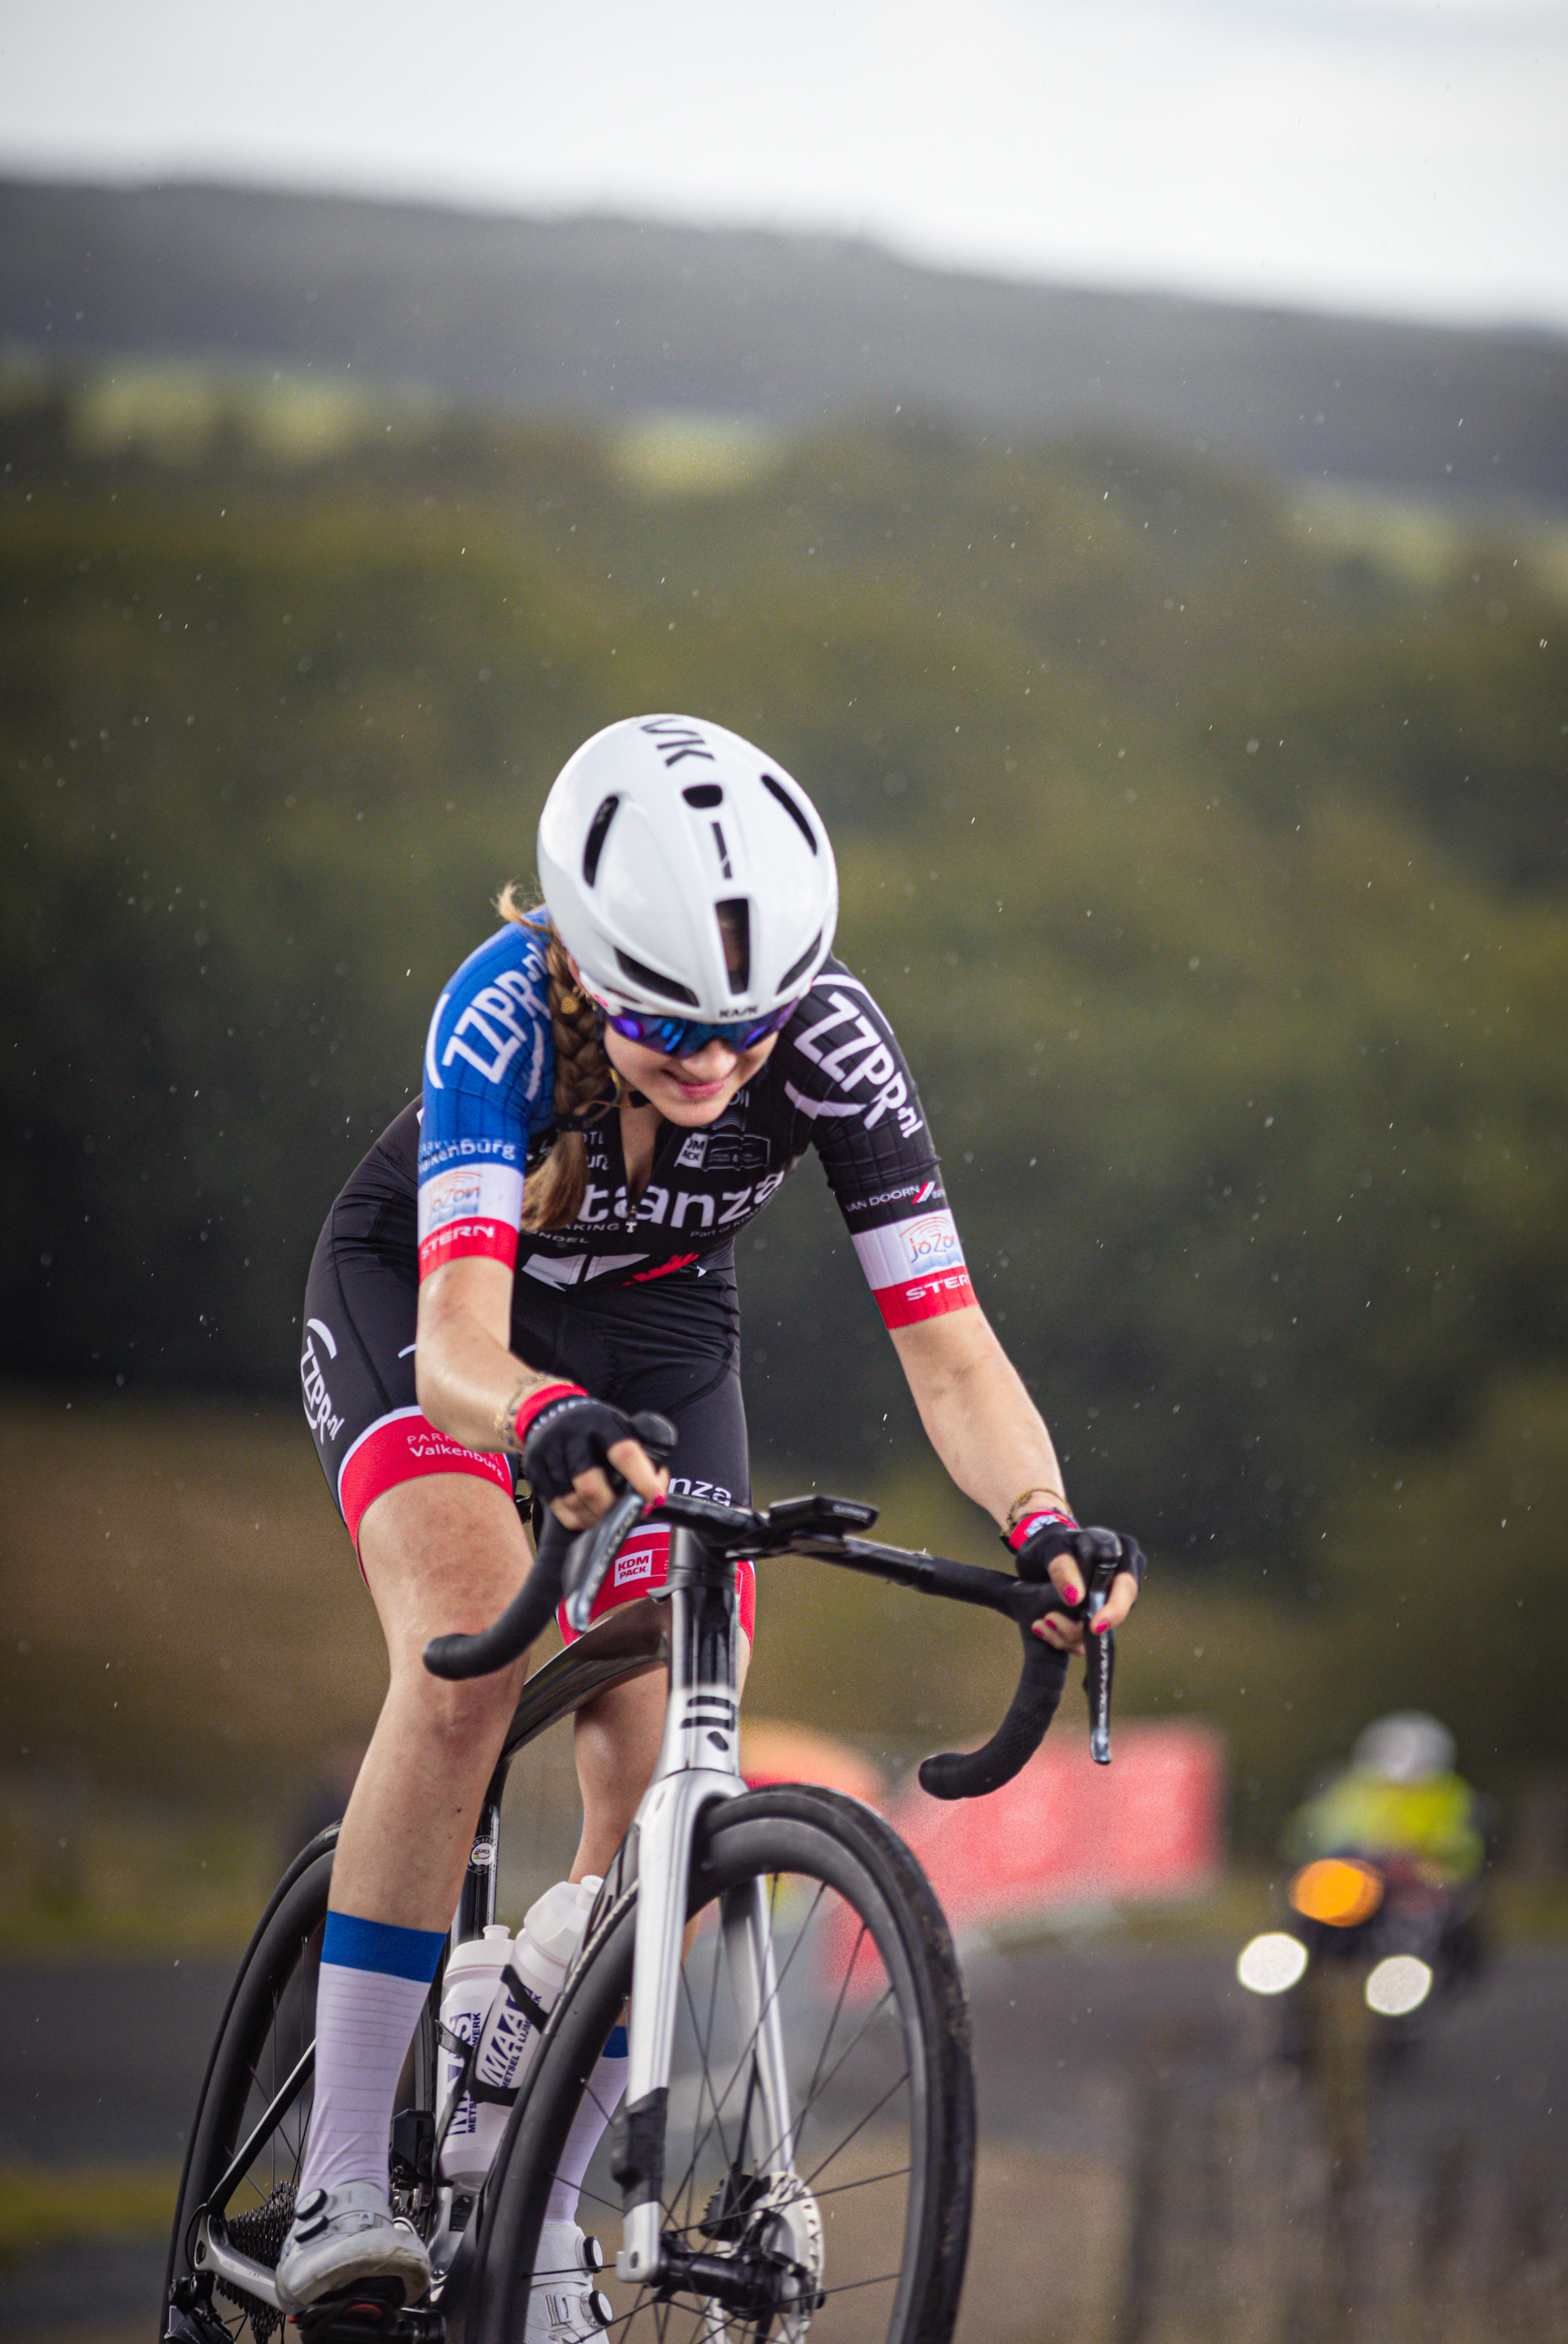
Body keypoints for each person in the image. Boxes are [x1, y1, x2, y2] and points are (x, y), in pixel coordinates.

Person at [279, 714, 1138, 2336]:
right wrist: (537, 1423)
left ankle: (534, 2172)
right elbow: (464, 1348)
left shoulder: (829, 1037)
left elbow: (948, 1343)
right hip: (437, 1312)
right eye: (675, 1026)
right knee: (469, 1662)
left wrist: (1044, 1518)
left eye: (751, 1030)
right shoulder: (499, 1016)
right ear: (593, 962)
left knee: (674, 1745)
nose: (721, 1062)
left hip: (663, 1339)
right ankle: (340, 2174)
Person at [1285, 1711, 1484, 1886]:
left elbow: (1462, 1845)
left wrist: (1424, 1857)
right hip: (1358, 1882)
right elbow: (1321, 1829)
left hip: (1419, 1887)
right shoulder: (1356, 1787)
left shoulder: (1449, 1793)